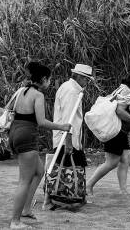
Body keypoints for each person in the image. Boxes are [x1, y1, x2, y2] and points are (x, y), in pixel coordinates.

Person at [8, 61, 72, 230]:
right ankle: (15, 221)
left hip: (14, 133)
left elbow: (10, 111)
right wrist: (62, 126)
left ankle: (26, 209)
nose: (50, 82)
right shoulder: (38, 95)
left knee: (39, 171)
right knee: (24, 180)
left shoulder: (21, 90)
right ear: (43, 79)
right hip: (27, 136)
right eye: (49, 79)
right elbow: (41, 122)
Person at [86, 68, 130, 196]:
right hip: (116, 130)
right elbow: (120, 111)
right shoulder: (126, 91)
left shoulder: (123, 89)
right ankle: (88, 185)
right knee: (112, 162)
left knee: (126, 157)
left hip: (119, 130)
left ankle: (123, 190)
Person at [45, 63, 92, 209]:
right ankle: (53, 198)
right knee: (64, 167)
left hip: (68, 136)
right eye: (86, 79)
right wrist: (69, 141)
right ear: (78, 77)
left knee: (65, 167)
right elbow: (68, 118)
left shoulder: (70, 88)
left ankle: (68, 197)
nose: (87, 82)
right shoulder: (71, 91)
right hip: (66, 137)